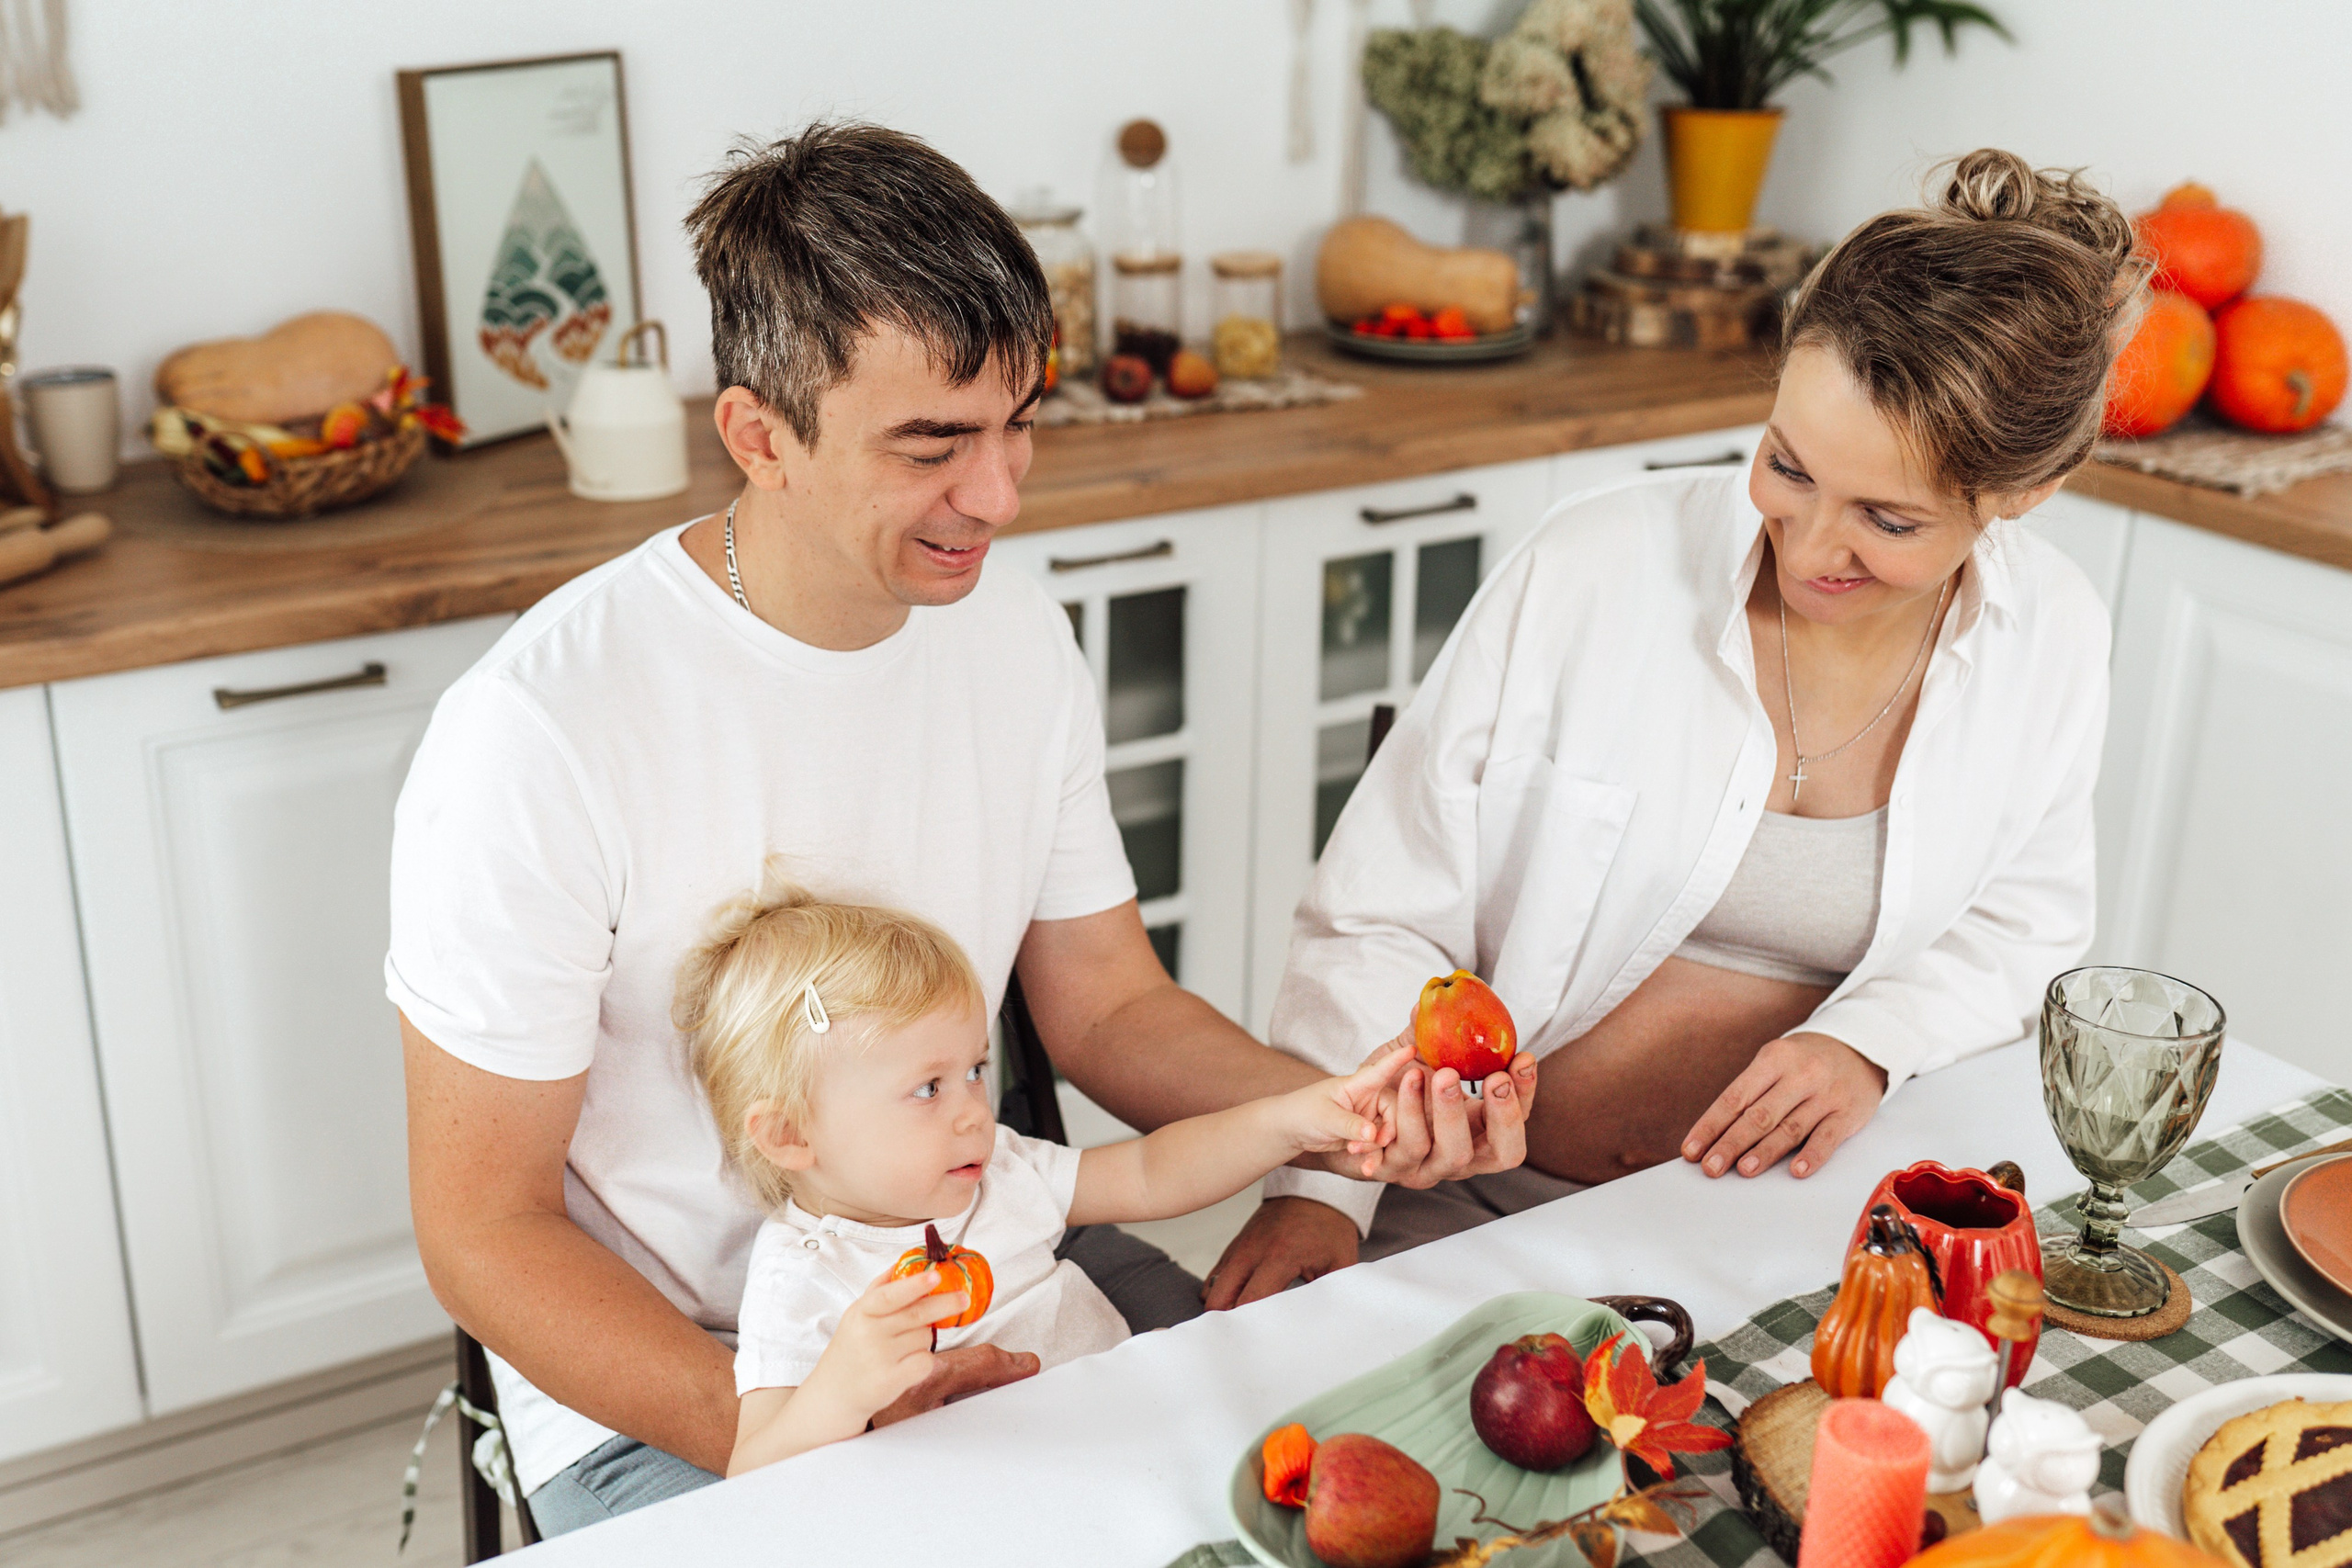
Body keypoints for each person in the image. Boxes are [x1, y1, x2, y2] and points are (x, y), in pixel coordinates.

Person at [389, 120, 1521, 1536]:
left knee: (1342, 1486)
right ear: (760, 435)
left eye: (1017, 422)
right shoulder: (541, 733)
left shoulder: (1014, 635)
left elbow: (1108, 1005)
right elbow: (483, 1228)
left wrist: (1339, 1114)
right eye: (934, 445)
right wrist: (785, 1421)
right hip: (691, 1372)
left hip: (987, 1258)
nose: (997, 495)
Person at [1263, 150, 2135, 1258]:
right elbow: (1378, 915)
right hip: (1472, 1216)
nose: (1814, 546)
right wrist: (1319, 1194)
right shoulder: (1589, 570)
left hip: (1808, 1239)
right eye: (1788, 466)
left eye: (1890, 521)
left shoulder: (2051, 635)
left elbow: (2022, 925)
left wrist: (1868, 1041)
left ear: (2023, 494)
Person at [673, 875, 1408, 1473]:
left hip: (1132, 1444)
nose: (972, 1112)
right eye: (929, 1087)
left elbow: (1153, 1172)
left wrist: (1285, 1122)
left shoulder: (1001, 1172)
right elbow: (755, 1468)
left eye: (975, 1070)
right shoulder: (802, 1276)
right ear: (790, 1134)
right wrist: (839, 1390)